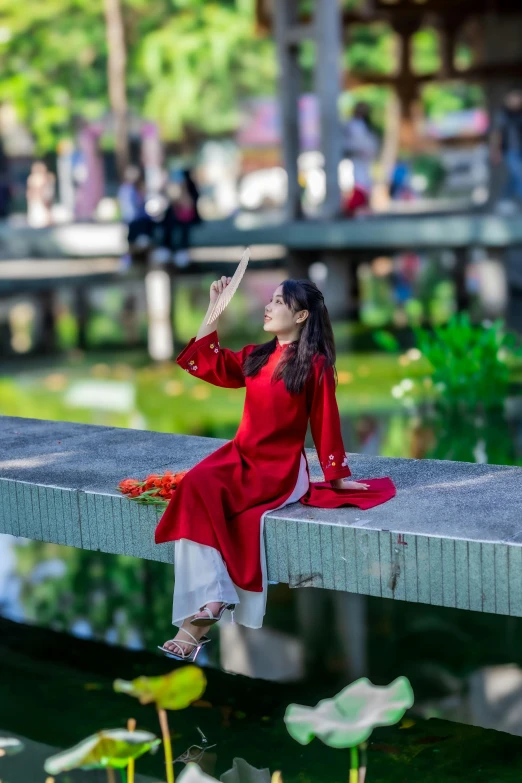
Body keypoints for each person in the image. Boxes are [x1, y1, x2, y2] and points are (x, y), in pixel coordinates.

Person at [154, 278, 396, 661]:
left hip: (280, 470)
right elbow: (207, 361)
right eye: (270, 299)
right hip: (240, 457)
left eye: (278, 302)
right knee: (196, 486)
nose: (268, 306)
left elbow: (326, 422)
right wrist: (214, 307)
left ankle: (196, 620)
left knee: (220, 501)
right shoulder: (256, 356)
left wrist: (337, 476)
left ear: (300, 315)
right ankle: (211, 600)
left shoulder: (313, 365)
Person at [342, 102, 379, 211]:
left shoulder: (367, 126)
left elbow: (370, 142)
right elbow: (348, 144)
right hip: (355, 162)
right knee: (358, 184)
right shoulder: (351, 125)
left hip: (365, 162)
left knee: (365, 184)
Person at [490, 89, 522, 212]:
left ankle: (504, 200)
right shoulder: (503, 115)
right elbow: (496, 134)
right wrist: (495, 151)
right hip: (510, 150)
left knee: (515, 177)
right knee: (519, 174)